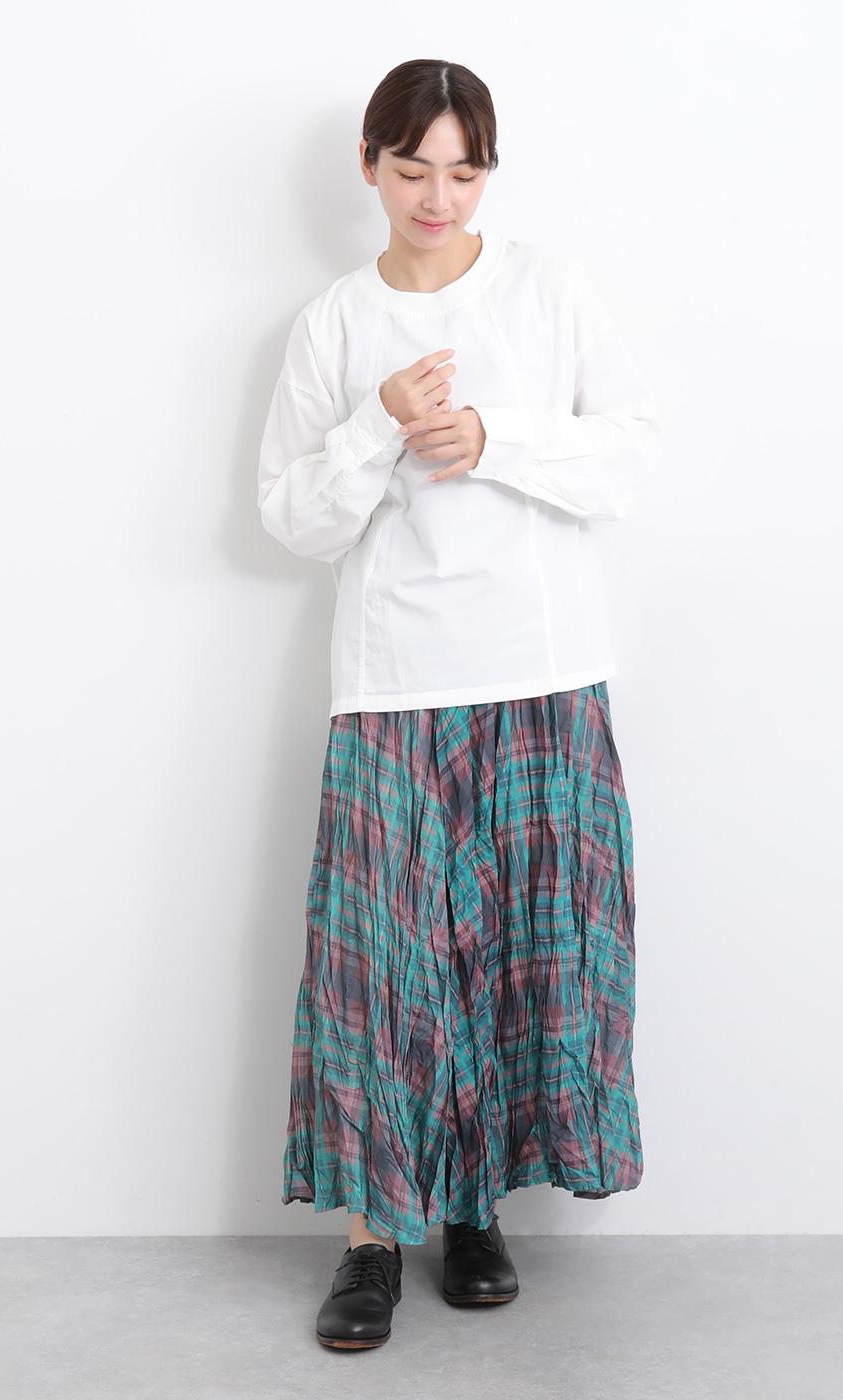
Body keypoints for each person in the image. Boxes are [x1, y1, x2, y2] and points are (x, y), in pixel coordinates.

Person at [256, 58, 662, 1351]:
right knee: (380, 967)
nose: (437, 197)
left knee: (521, 956)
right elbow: (293, 518)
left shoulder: (549, 289)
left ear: (490, 172)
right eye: (412, 168)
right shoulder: (333, 323)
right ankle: (373, 1238)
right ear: (368, 166)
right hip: (393, 682)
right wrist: (379, 428)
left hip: (540, 672)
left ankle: (475, 1210)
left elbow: (632, 456)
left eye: (465, 171)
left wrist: (494, 438)